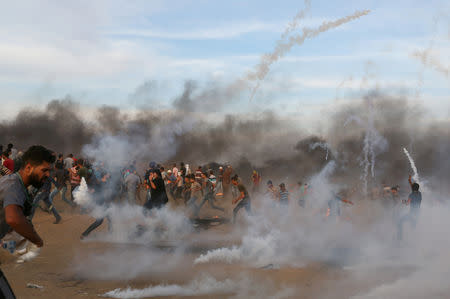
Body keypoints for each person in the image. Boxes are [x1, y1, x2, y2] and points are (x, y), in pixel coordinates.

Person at [0, 145, 55, 298]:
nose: (48, 175)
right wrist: (37, 241)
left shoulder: (15, 183)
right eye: (44, 170)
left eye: (49, 170)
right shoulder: (14, 186)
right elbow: (13, 218)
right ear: (29, 167)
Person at [80, 172, 113, 239]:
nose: (108, 175)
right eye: (107, 174)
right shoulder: (98, 183)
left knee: (109, 218)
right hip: (101, 204)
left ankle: (110, 233)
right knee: (100, 221)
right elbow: (93, 192)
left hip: (102, 204)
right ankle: (85, 233)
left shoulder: (98, 183)